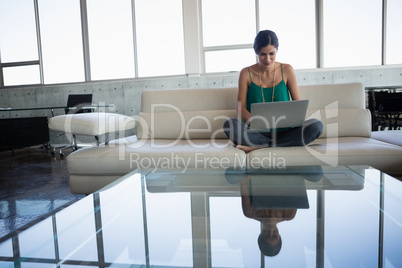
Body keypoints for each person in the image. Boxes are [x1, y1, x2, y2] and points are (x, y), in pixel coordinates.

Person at [223, 30, 323, 153]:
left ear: (277, 50)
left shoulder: (287, 70)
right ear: (256, 52)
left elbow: (298, 103)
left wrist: (294, 118)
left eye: (272, 53)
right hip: (257, 132)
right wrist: (254, 121)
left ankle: (261, 146)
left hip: (286, 131)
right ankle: (274, 144)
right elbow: (240, 108)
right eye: (262, 54)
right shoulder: (246, 73)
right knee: (229, 124)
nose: (268, 59)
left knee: (316, 126)